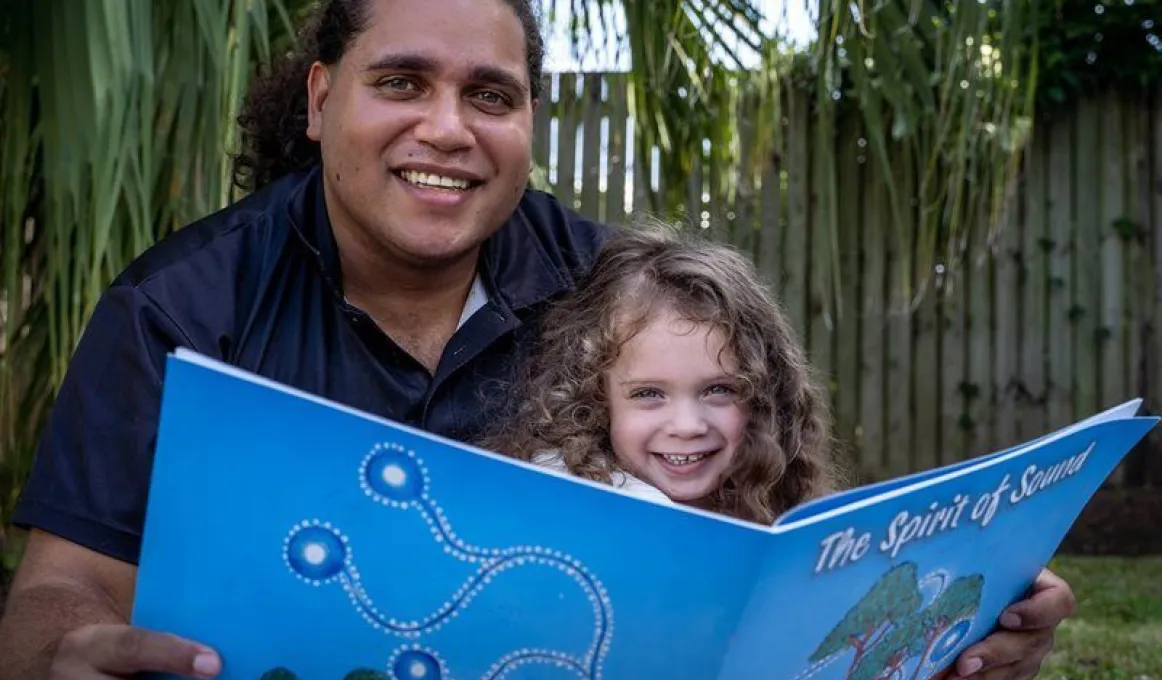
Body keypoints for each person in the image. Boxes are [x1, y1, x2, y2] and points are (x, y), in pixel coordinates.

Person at [0, 1, 1074, 679]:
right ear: (323, 99)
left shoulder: (617, 293)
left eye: (491, 95)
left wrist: (954, 614)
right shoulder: (178, 307)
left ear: (529, 123)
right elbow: (57, 586)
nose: (449, 127)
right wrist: (63, 649)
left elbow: (763, 517)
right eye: (402, 81)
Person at [482, 223, 843, 525]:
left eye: (718, 389)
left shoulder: (777, 505)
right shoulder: (557, 506)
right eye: (649, 394)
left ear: (763, 398)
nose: (687, 426)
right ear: (595, 400)